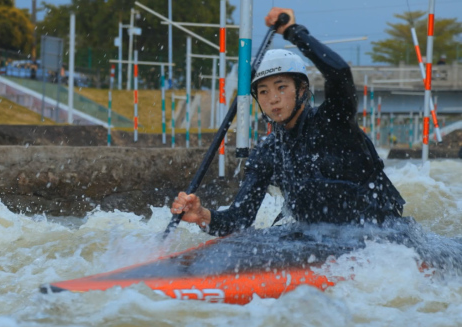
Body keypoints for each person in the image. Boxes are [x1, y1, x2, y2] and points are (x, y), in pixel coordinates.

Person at [171, 7, 405, 237]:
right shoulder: (268, 151)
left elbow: (340, 73)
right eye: (263, 92)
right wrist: (203, 215)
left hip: (379, 233)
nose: (272, 98)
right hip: (317, 237)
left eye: (281, 87)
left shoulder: (334, 122)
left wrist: (294, 32)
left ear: (302, 89)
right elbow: (240, 218)